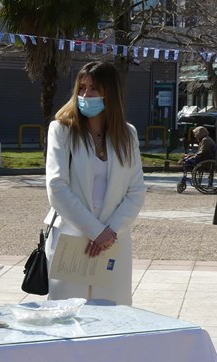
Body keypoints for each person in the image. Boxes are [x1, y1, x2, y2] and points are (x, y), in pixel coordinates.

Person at [45, 61, 145, 305]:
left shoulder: (127, 134)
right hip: (72, 236)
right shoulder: (61, 130)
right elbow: (57, 186)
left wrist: (110, 232)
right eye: (82, 88)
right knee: (67, 313)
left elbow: (136, 190)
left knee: (112, 312)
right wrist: (95, 231)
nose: (85, 95)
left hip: (113, 241)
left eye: (94, 89)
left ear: (110, 93)